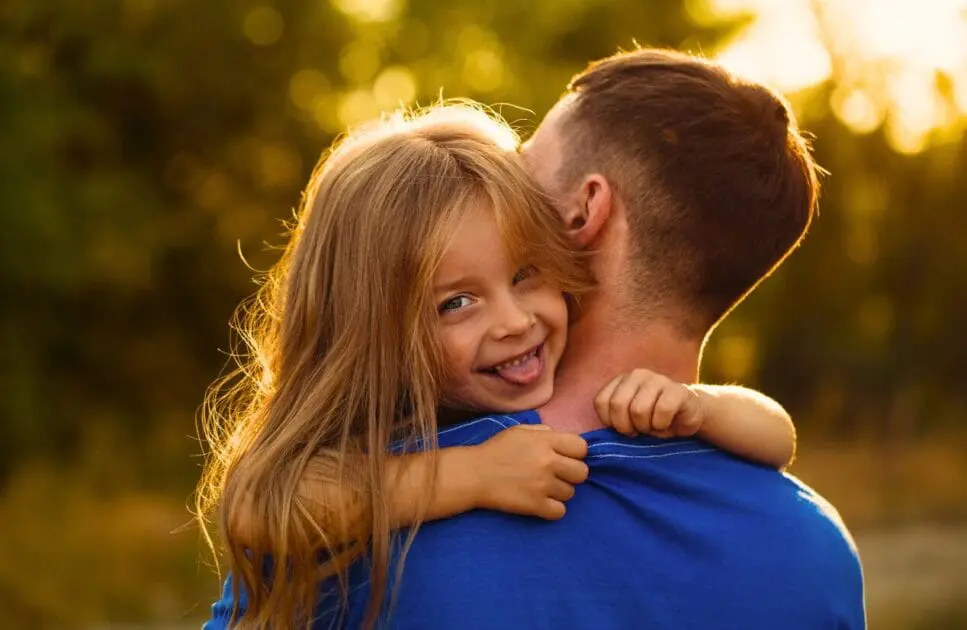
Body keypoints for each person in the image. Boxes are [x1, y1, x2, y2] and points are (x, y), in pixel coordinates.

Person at [198, 100, 799, 629]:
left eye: (525, 274)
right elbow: (258, 506)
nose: (513, 320)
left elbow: (778, 435)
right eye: (456, 303)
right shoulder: (368, 439)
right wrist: (472, 475)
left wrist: (700, 406)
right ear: (375, 332)